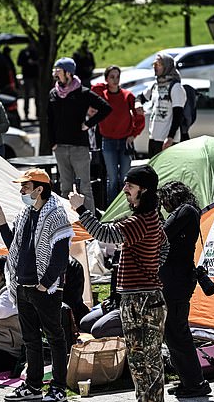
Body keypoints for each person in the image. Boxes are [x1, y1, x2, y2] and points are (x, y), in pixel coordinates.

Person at [68, 164, 168, 402]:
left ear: (143, 190)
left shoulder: (140, 222)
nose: (124, 189)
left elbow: (104, 234)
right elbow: (165, 245)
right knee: (146, 358)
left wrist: (81, 208)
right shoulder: (151, 218)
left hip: (139, 300)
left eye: (130, 186)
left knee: (142, 359)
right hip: (146, 297)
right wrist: (153, 268)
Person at [0, 168, 73, 402]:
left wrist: (46, 284)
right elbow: (13, 246)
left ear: (39, 189)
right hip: (23, 286)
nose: (21, 190)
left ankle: (58, 388)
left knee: (55, 337)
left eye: (25, 187)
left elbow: (60, 255)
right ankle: (33, 386)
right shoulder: (25, 214)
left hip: (44, 289)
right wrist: (1, 218)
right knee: (30, 339)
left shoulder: (56, 215)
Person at [157, 181, 211, 398]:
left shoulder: (186, 212)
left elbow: (162, 233)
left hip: (177, 284)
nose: (162, 204)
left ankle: (196, 383)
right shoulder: (183, 213)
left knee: (178, 334)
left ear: (173, 196)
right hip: (174, 282)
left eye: (164, 199)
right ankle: (188, 380)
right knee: (173, 335)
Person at [48, 57, 111, 213]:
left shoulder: (82, 92)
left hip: (79, 147)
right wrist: (52, 143)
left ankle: (90, 225)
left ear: (68, 73)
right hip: (60, 147)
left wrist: (88, 124)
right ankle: (65, 221)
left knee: (85, 188)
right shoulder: (53, 93)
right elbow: (49, 119)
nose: (55, 73)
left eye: (58, 70)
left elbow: (106, 108)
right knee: (65, 188)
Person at [91, 65, 146, 203]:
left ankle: (126, 206)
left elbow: (139, 116)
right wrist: (105, 84)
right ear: (106, 79)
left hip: (125, 142)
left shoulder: (127, 95)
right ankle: (111, 208)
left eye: (117, 77)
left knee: (125, 178)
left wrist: (134, 134)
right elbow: (94, 89)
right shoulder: (102, 94)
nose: (115, 80)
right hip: (108, 141)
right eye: (112, 77)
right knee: (113, 178)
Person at [137, 52, 187, 158]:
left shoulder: (176, 87)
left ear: (167, 66)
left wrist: (170, 137)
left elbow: (178, 115)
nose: (155, 67)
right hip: (154, 138)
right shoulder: (155, 86)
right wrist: (138, 104)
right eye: (154, 64)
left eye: (158, 64)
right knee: (153, 172)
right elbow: (140, 98)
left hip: (168, 140)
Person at [17, 42, 40, 121]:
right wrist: (27, 62)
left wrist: (35, 62)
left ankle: (38, 113)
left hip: (36, 76)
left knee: (38, 96)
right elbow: (19, 62)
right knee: (26, 95)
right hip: (27, 76)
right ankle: (26, 113)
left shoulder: (37, 52)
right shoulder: (23, 52)